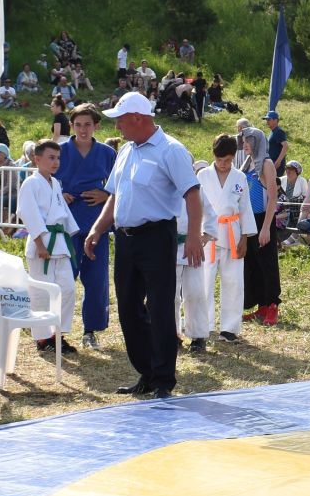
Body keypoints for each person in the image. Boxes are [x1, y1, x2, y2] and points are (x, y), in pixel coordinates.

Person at [82, 91, 205, 399]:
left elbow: (192, 194)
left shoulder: (171, 150)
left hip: (157, 237)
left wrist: (193, 236)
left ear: (138, 118)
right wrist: (98, 228)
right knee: (128, 307)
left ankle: (163, 379)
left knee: (160, 307)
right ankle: (146, 373)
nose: (117, 127)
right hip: (125, 239)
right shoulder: (126, 151)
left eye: (121, 121)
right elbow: (115, 196)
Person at [184, 134, 255, 349]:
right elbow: (195, 206)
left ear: (234, 157)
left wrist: (245, 237)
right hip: (206, 234)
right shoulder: (202, 175)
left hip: (233, 233)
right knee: (203, 282)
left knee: (234, 282)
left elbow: (245, 208)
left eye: (228, 160)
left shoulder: (239, 177)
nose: (223, 164)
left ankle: (229, 328)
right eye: (220, 160)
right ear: (213, 156)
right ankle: (203, 327)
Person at [55, 103, 117, 349]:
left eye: (88, 125)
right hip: (66, 221)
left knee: (96, 279)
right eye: (78, 125)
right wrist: (59, 194)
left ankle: (90, 330)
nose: (83, 129)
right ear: (71, 126)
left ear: (96, 126)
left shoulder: (107, 153)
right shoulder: (59, 151)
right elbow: (44, 181)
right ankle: (55, 330)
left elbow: (119, 185)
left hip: (95, 222)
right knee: (64, 278)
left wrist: (105, 195)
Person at [17, 139, 79, 358]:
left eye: (58, 158)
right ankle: (43, 338)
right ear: (37, 159)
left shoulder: (55, 183)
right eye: (51, 158)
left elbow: (63, 213)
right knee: (42, 293)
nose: (56, 162)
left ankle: (58, 334)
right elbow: (28, 213)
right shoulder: (30, 184)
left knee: (67, 289)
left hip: (59, 242)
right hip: (41, 244)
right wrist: (40, 244)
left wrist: (71, 233)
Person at [236, 127, 282, 323]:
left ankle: (272, 306)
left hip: (263, 218)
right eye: (244, 140)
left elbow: (272, 197)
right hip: (248, 219)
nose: (245, 144)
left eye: (248, 140)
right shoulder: (247, 162)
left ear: (257, 142)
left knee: (267, 263)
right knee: (252, 264)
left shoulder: (267, 163)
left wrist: (265, 228)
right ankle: (261, 306)